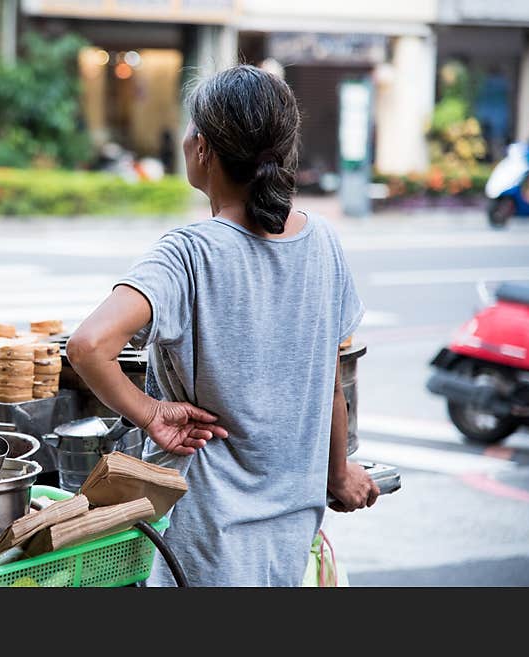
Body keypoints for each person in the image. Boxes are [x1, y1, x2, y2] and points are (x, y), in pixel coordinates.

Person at [66, 64, 379, 587]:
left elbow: (88, 345)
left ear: (204, 148)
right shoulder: (323, 242)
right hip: (291, 530)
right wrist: (338, 473)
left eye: (191, 128)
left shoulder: (187, 254)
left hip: (203, 537)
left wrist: (152, 413)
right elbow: (331, 384)